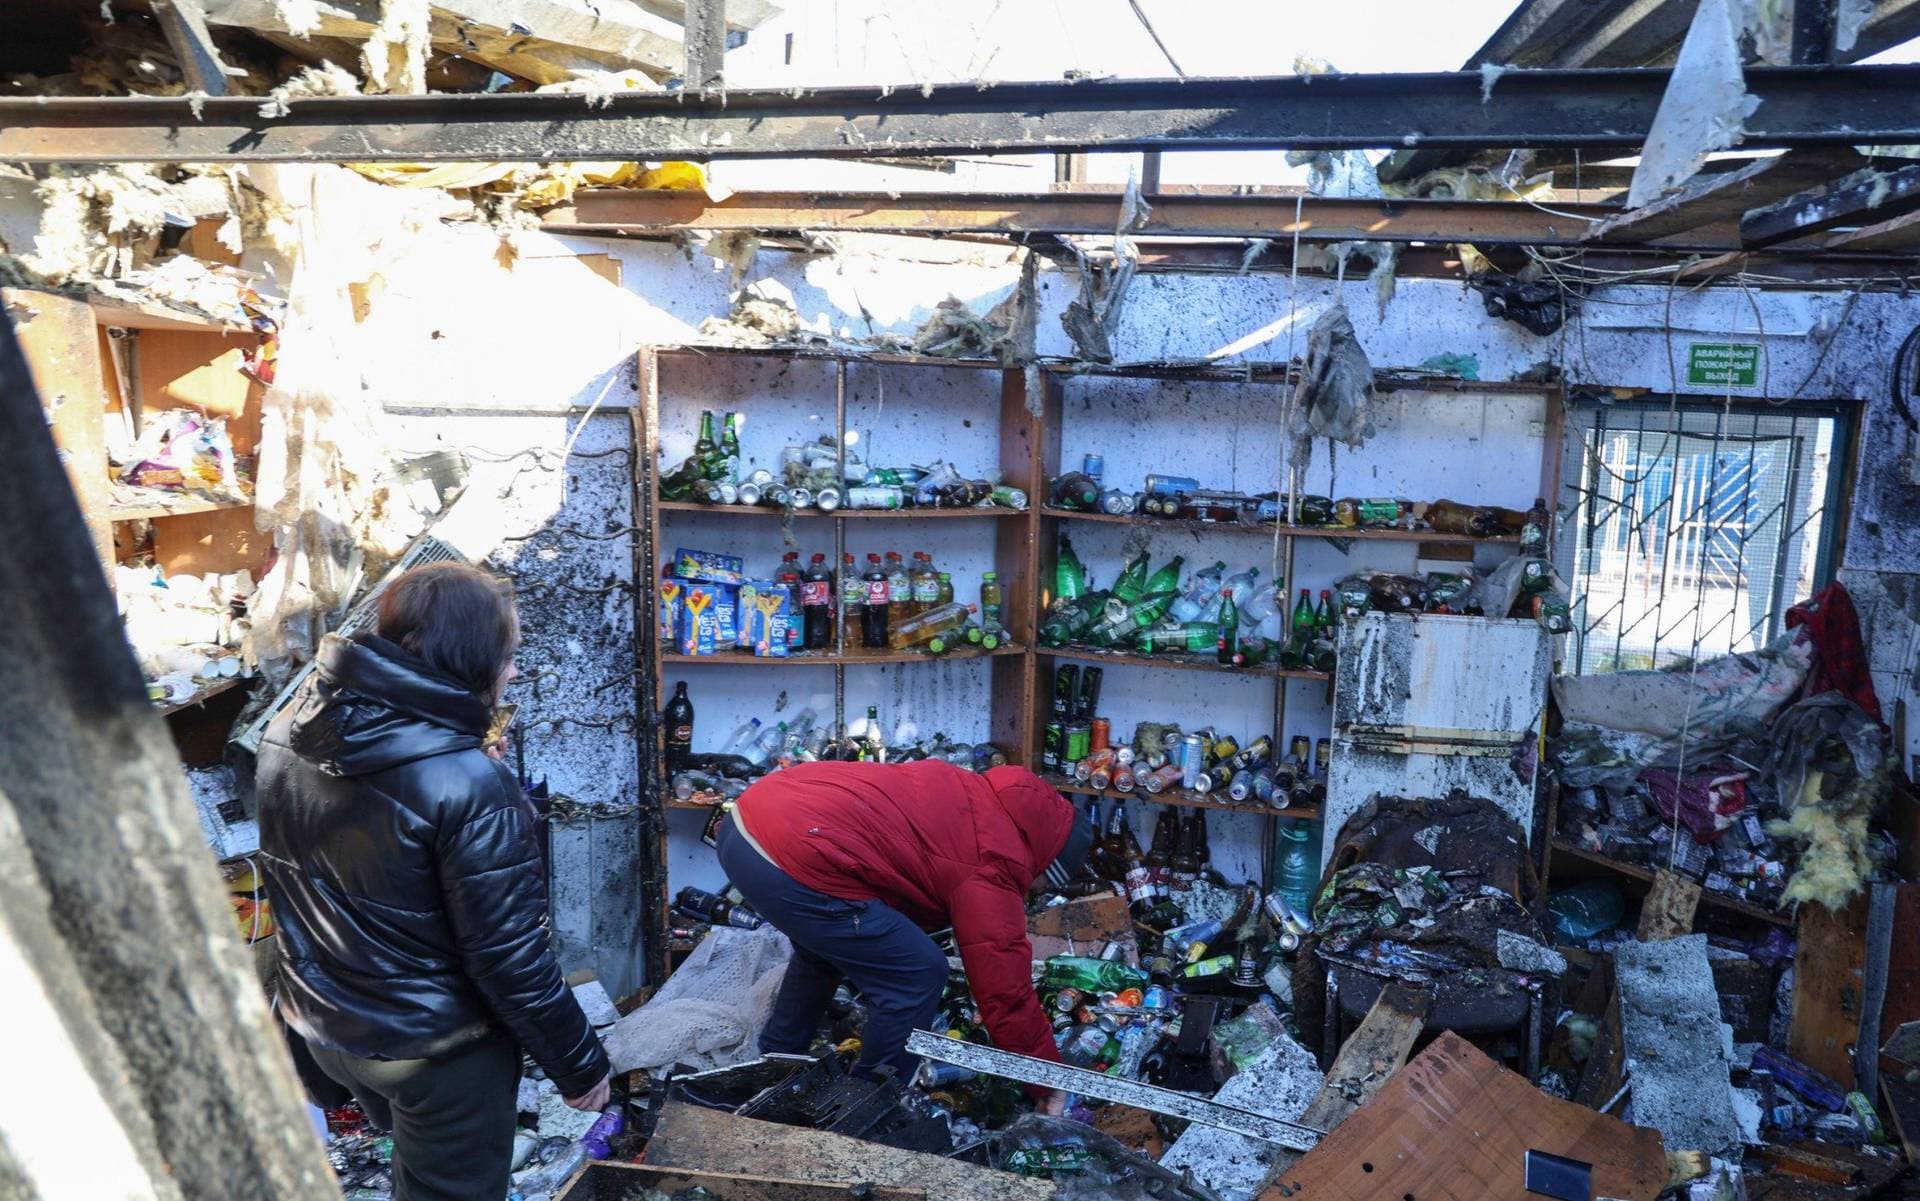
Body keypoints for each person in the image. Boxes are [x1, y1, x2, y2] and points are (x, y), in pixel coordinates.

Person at [258, 562, 610, 1201]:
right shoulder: (469, 784)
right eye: (508, 657)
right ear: (472, 660)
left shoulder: (288, 732)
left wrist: (464, 767)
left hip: (330, 1026)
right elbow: (512, 961)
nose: (513, 671)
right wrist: (580, 1065)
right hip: (433, 1051)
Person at [715, 759, 1092, 1109]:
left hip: (746, 824)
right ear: (1046, 861)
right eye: (1041, 886)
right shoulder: (995, 858)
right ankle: (868, 1106)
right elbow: (1005, 994)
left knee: (829, 948)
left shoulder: (970, 794)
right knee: (916, 973)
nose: (1032, 892)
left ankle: (775, 1065)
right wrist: (1047, 1081)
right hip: (790, 850)